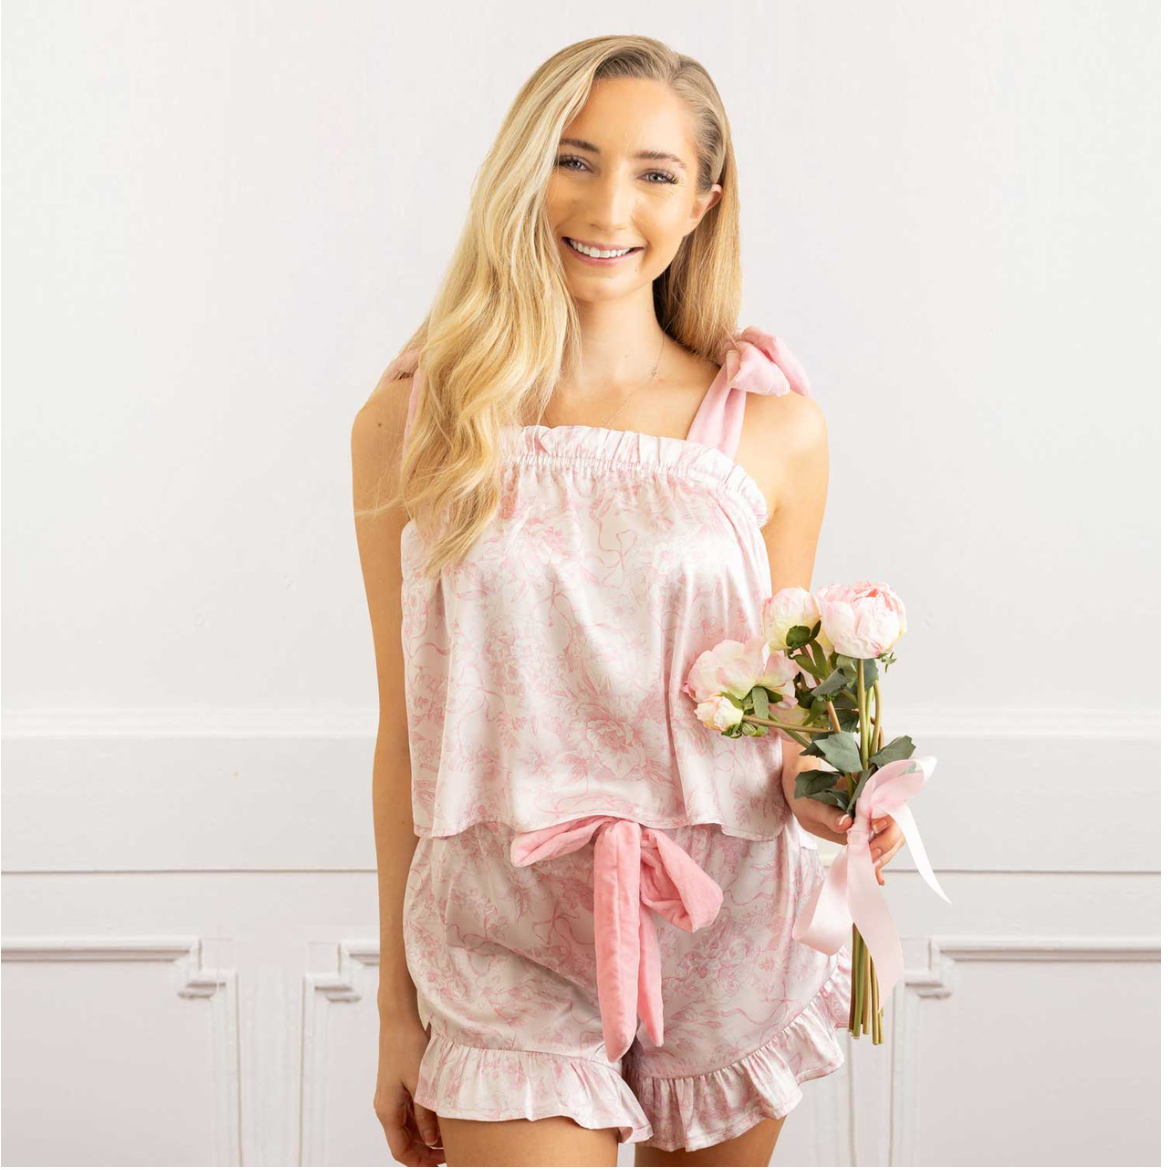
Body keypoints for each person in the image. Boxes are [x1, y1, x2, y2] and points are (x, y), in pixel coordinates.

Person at [351, 34, 904, 1168]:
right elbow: (406, 730)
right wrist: (396, 1012)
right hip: (503, 929)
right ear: (523, 172)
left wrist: (835, 796)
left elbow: (779, 708)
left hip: (728, 915)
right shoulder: (417, 419)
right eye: (574, 158)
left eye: (655, 172)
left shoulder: (773, 428)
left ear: (703, 202)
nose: (609, 204)